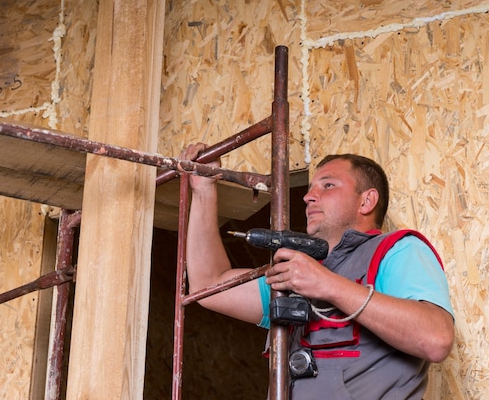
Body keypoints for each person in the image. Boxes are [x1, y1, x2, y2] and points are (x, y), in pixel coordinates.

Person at [180, 143, 454, 400]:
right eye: (311, 189)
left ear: (366, 201)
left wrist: (328, 286)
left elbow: (436, 339)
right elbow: (209, 286)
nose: (309, 196)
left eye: (328, 185)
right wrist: (204, 190)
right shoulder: (298, 272)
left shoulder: (395, 251)